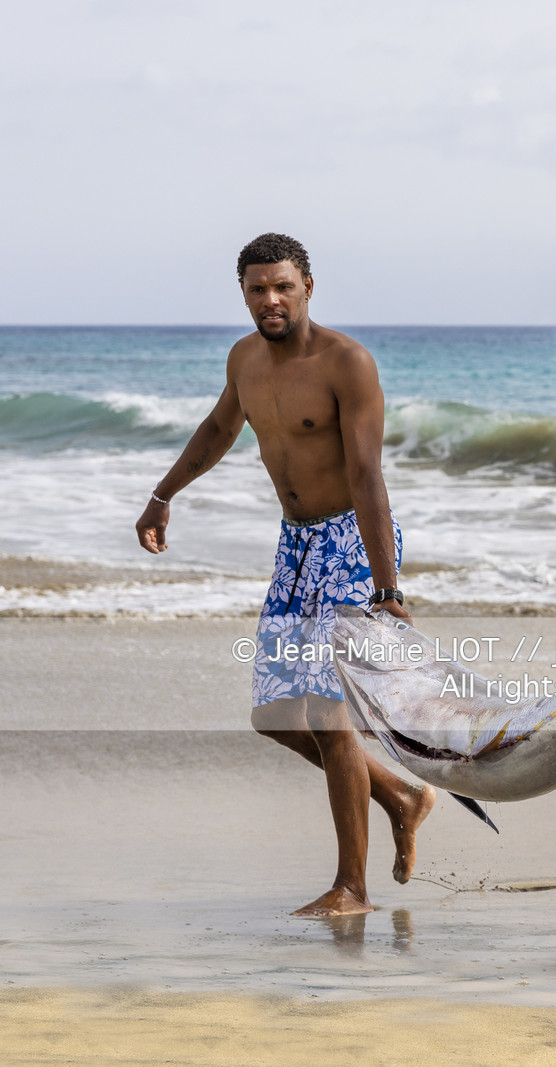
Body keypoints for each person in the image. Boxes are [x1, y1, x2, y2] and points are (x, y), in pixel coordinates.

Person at [134, 233, 434, 917]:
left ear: (307, 286)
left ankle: (352, 888)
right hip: (295, 546)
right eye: (256, 289)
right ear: (243, 292)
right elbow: (218, 428)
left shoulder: (347, 363)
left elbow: (367, 475)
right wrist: (162, 493)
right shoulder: (244, 358)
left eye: (282, 287)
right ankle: (400, 795)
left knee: (329, 715)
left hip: (350, 544)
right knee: (274, 715)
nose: (270, 299)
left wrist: (388, 588)